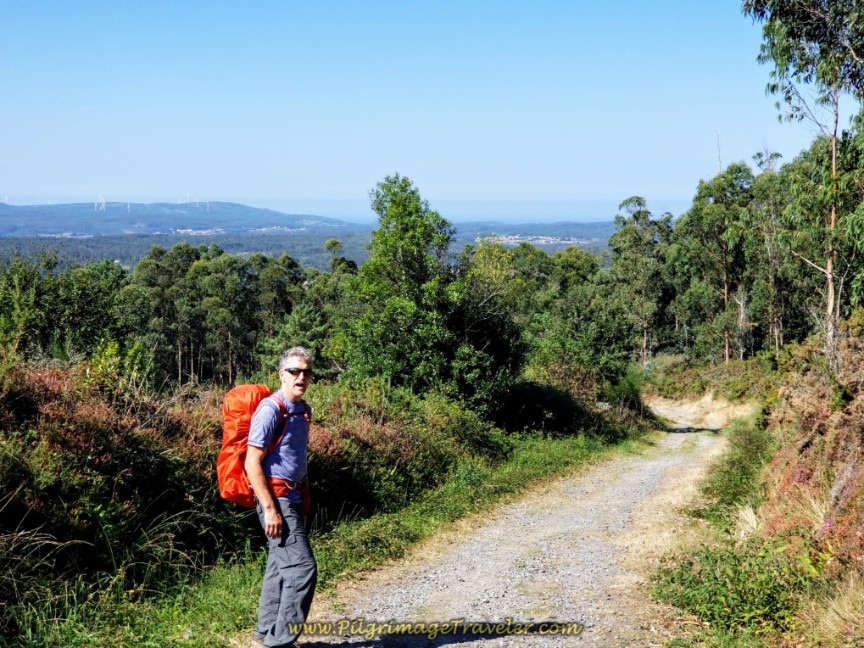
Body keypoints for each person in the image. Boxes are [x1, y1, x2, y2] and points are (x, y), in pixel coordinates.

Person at [245, 346, 317, 648]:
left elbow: (294, 456)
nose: (301, 377)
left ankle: (265, 636)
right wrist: (270, 509)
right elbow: (252, 462)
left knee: (278, 568)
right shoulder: (271, 409)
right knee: (302, 570)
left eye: (306, 372)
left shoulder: (302, 409)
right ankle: (281, 642)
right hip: (277, 500)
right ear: (281, 374)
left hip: (295, 497)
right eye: (294, 371)